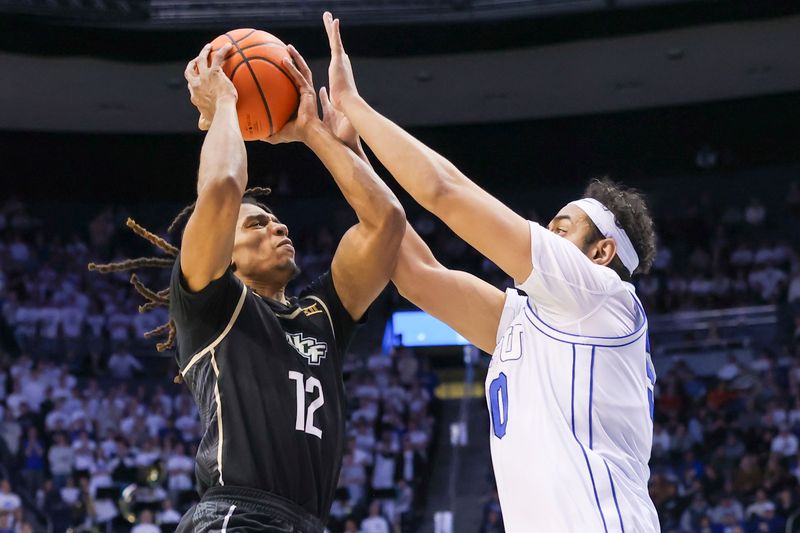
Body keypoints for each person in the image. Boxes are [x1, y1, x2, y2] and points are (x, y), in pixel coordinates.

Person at [321, 11, 659, 532]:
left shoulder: (600, 296)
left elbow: (444, 192)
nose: (546, 236)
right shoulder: (534, 321)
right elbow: (413, 271)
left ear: (602, 253)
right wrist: (344, 149)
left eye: (562, 228)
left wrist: (354, 105)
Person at [89, 41, 404, 532]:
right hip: (236, 516)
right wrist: (226, 107)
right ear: (225, 255)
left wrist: (312, 133)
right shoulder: (210, 305)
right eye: (255, 225)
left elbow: (386, 221)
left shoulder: (321, 315)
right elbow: (221, 188)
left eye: (276, 221)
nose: (277, 228)